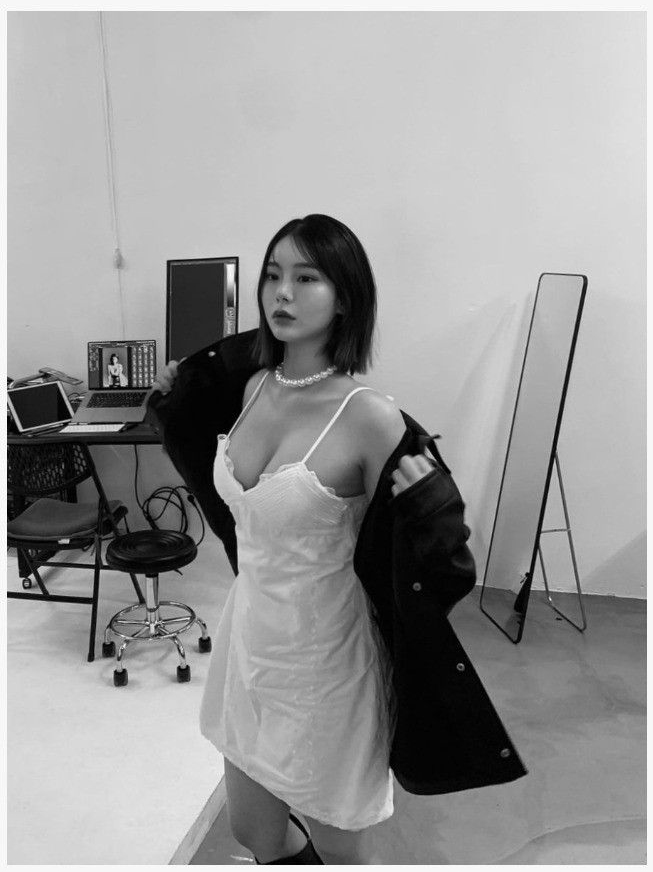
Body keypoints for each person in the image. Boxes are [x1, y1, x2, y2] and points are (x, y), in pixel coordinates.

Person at [153, 214, 439, 864]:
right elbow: (207, 462)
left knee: (340, 847)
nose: (282, 293)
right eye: (273, 275)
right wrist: (176, 395)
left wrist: (430, 507)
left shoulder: (368, 416)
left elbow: (417, 554)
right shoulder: (252, 387)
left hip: (326, 662)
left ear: (345, 298)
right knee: (254, 833)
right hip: (251, 638)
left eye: (306, 278)